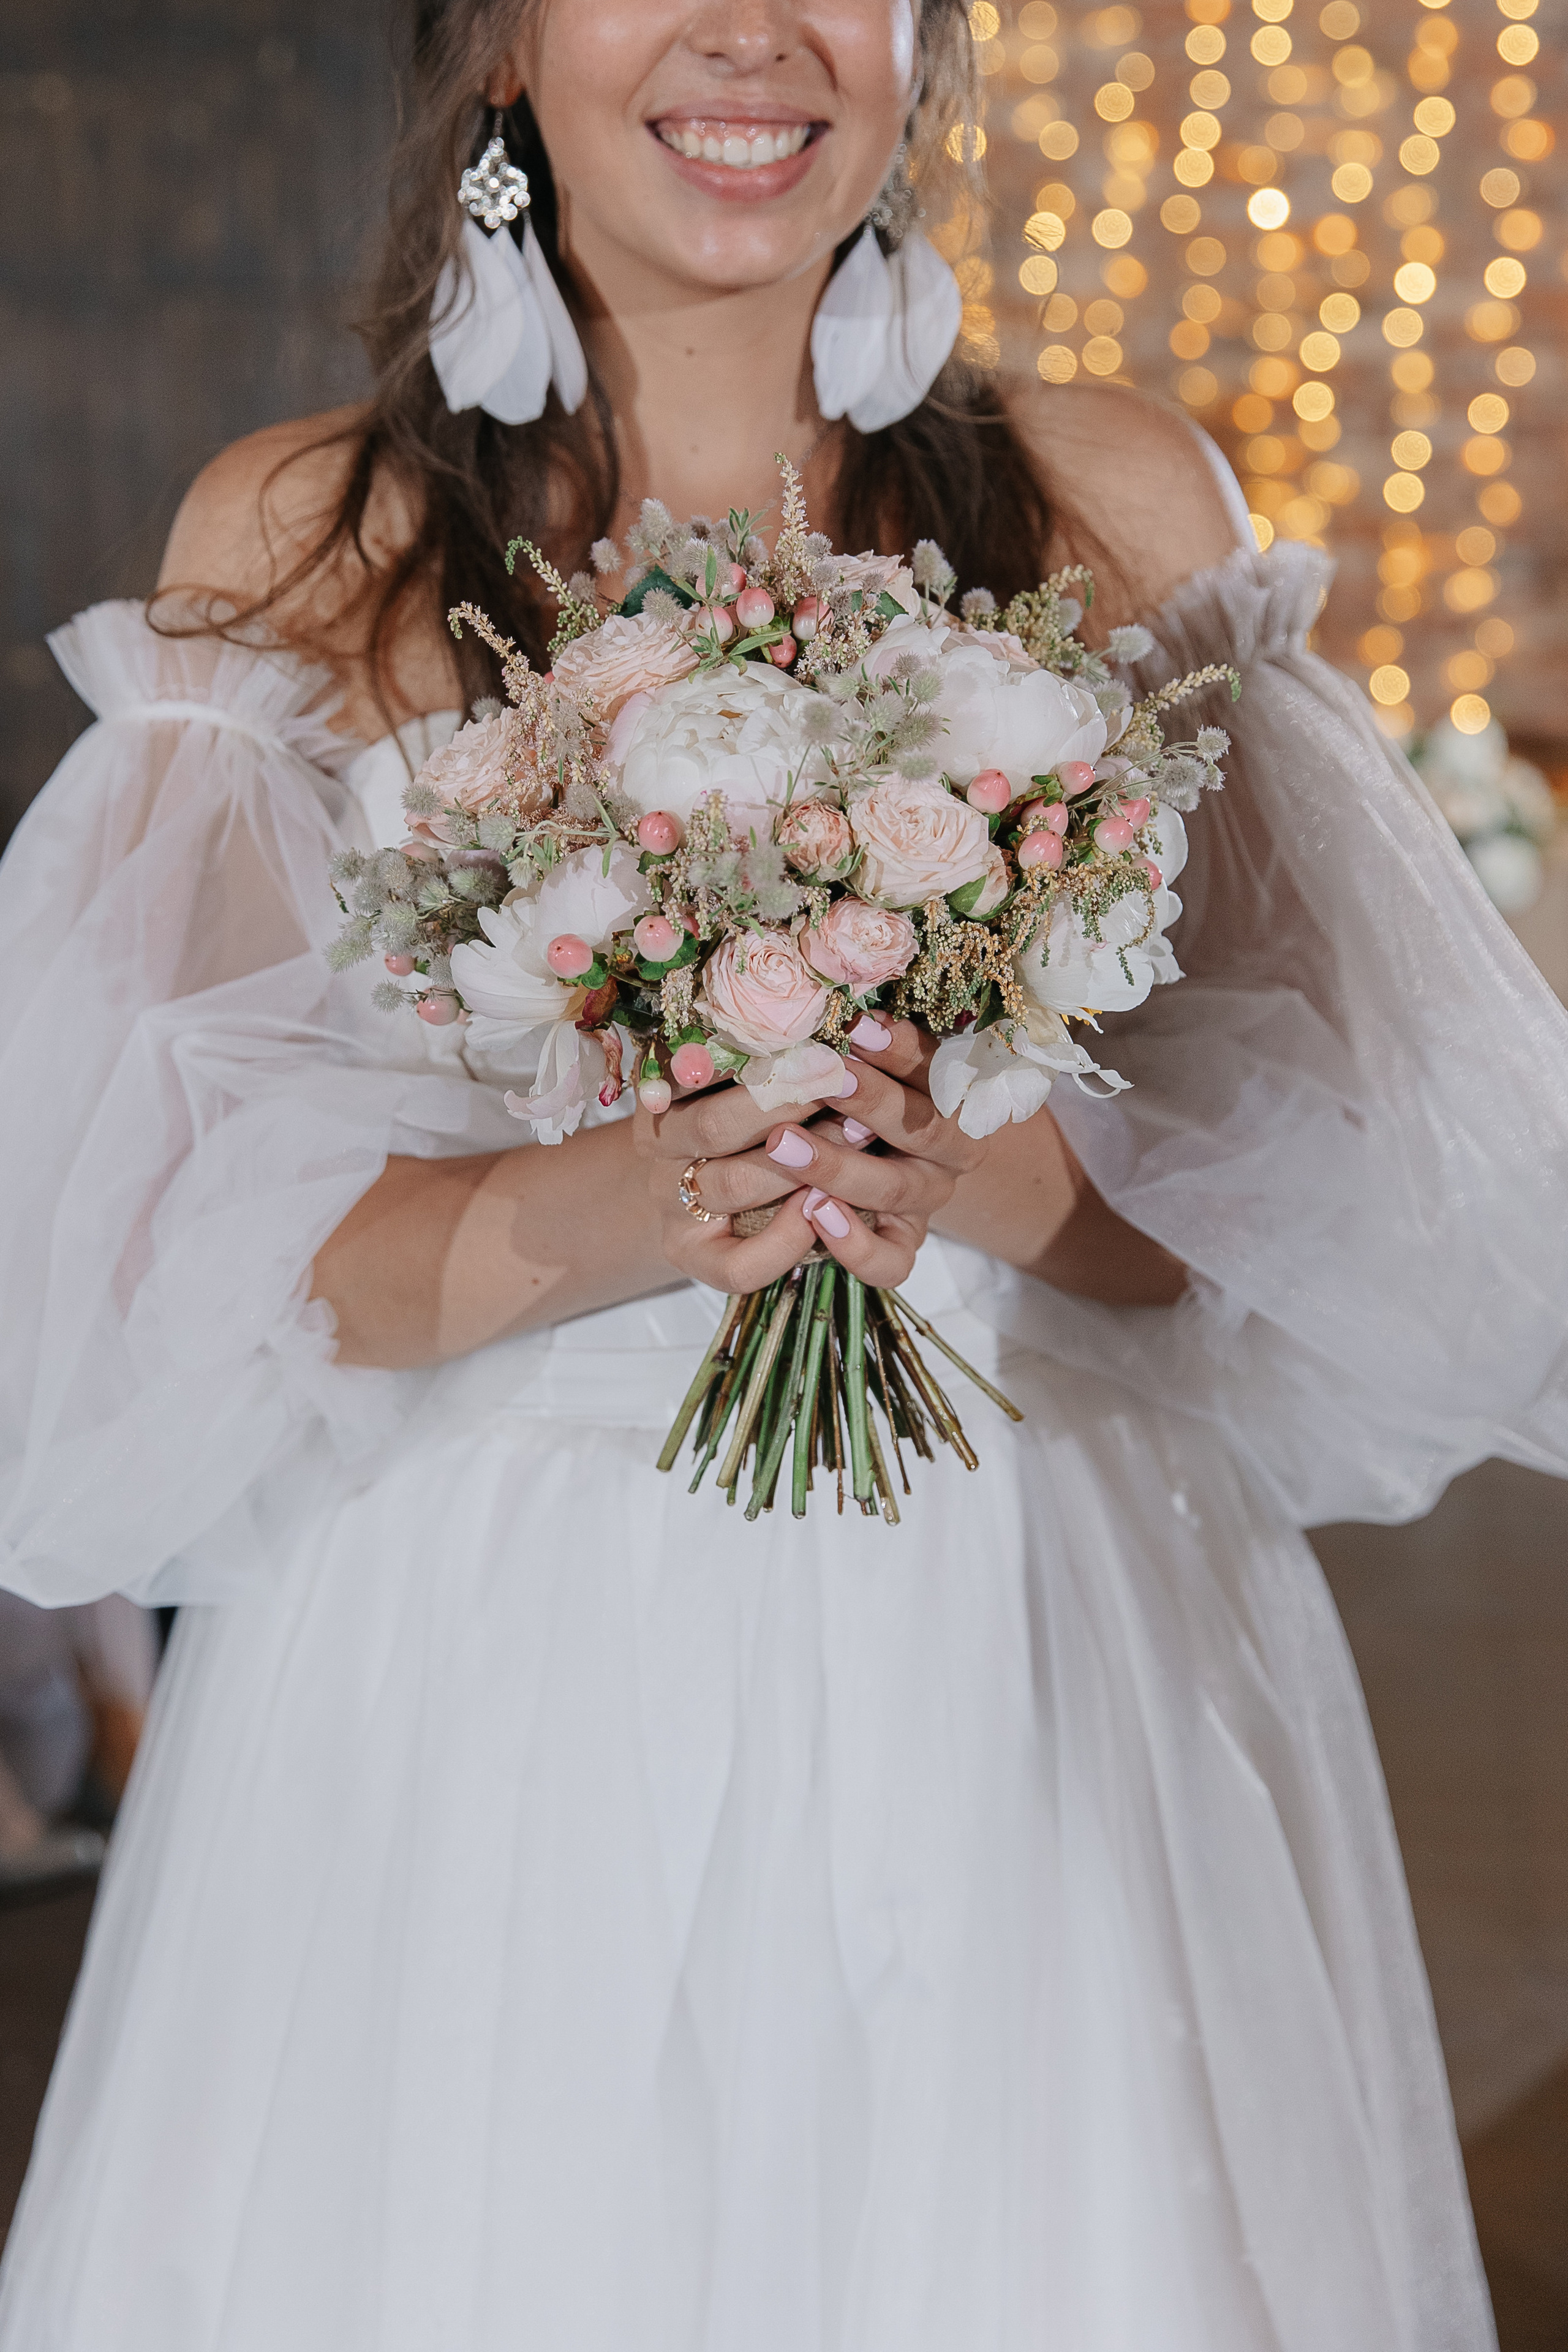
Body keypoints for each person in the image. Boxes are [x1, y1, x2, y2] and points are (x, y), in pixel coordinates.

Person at [1, 2, 1563, 2343]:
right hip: (476, 1685)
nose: (754, 31)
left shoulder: (1114, 502)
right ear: (506, 45)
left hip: (1033, 1649)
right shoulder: (310, 538)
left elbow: (1314, 1220)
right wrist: (620, 1206)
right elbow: (204, 1264)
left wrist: (990, 1177)